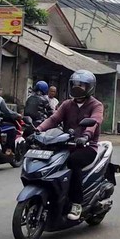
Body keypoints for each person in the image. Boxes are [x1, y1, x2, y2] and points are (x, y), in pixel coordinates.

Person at [39, 70, 106, 220]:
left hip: (87, 146)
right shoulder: (67, 104)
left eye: (82, 85)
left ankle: (76, 203)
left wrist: (86, 136)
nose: (78, 87)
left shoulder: (96, 105)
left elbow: (95, 122)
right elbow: (53, 119)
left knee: (73, 162)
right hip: (66, 144)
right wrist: (37, 130)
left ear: (90, 87)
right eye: (75, 84)